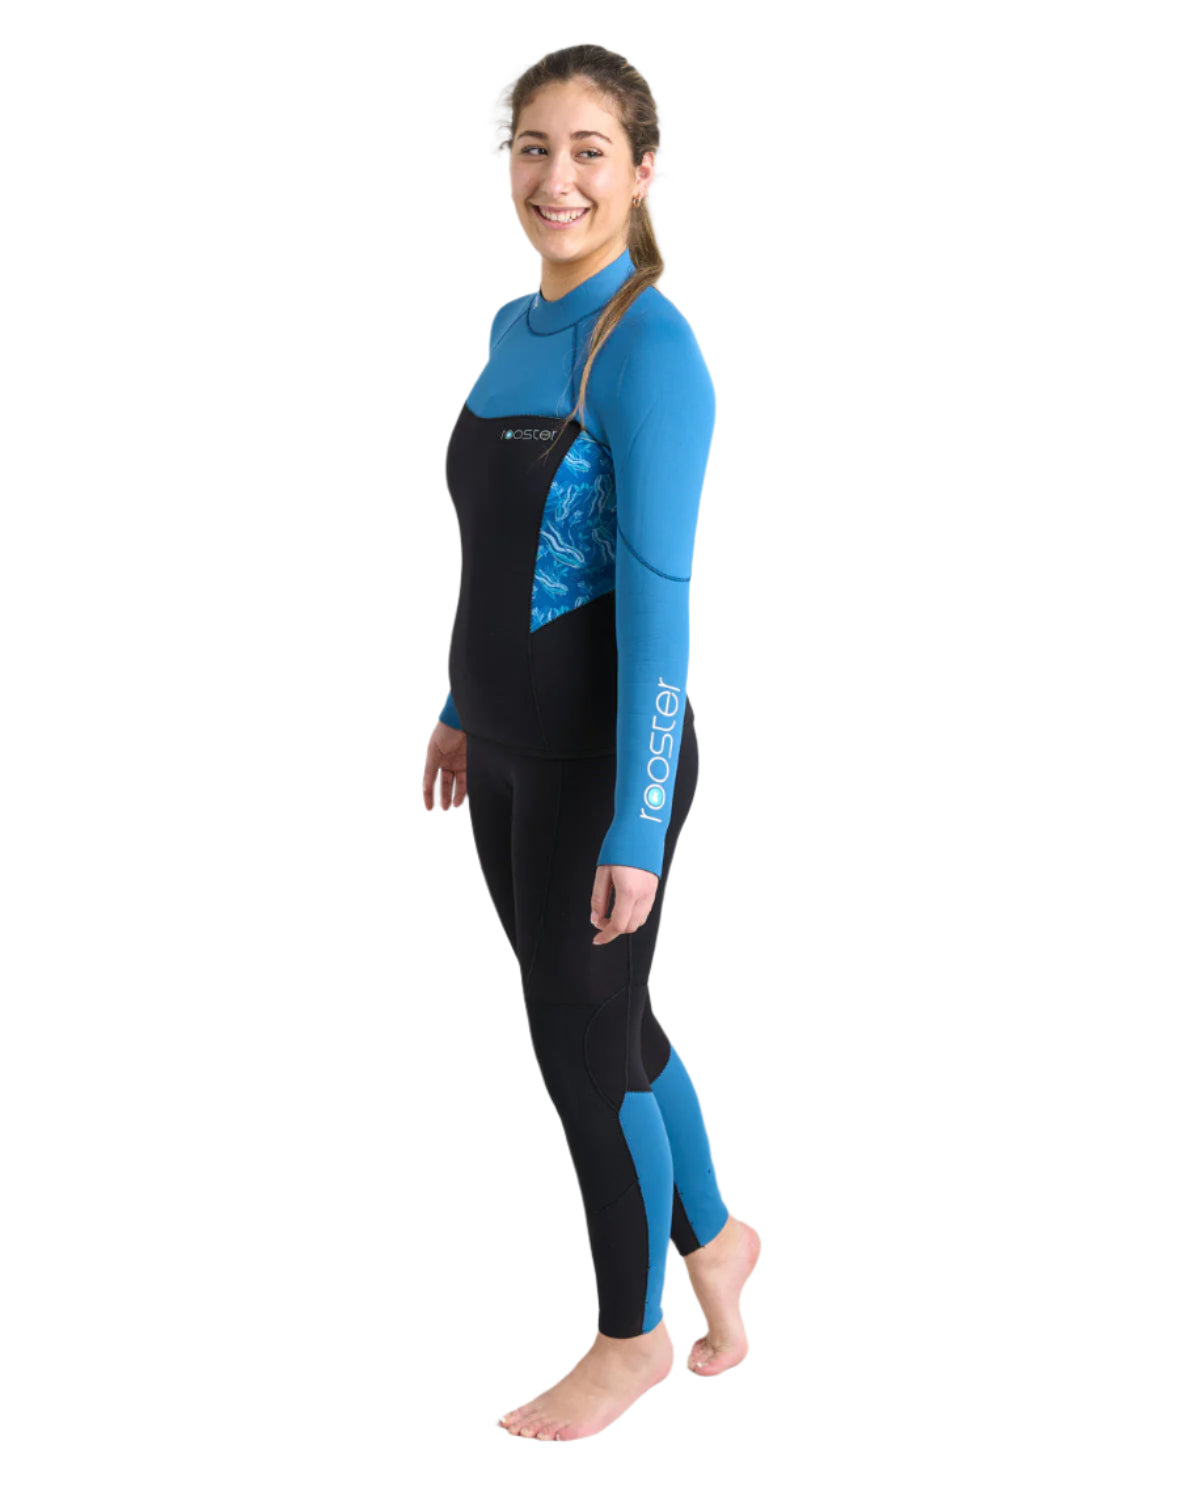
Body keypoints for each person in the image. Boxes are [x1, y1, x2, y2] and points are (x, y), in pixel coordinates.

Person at [422, 45, 760, 1442]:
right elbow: (498, 551)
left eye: (588, 152)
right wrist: (461, 704)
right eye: (533, 148)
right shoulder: (514, 327)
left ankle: (632, 1336)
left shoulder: (653, 353)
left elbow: (660, 612)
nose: (555, 180)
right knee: (605, 1019)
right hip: (506, 754)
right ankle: (719, 1241)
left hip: (607, 767)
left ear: (641, 170)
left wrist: (636, 822)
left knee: (578, 1045)